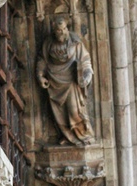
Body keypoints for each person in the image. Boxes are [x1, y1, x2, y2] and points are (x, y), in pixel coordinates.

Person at [36, 14, 94, 145]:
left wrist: (87, 75)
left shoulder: (75, 43)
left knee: (74, 111)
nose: (62, 32)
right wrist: (40, 75)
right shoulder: (49, 44)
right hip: (54, 81)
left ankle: (82, 136)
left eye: (64, 29)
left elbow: (85, 61)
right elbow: (42, 60)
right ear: (54, 31)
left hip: (71, 82)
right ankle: (68, 136)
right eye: (59, 30)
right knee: (59, 114)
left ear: (67, 29)